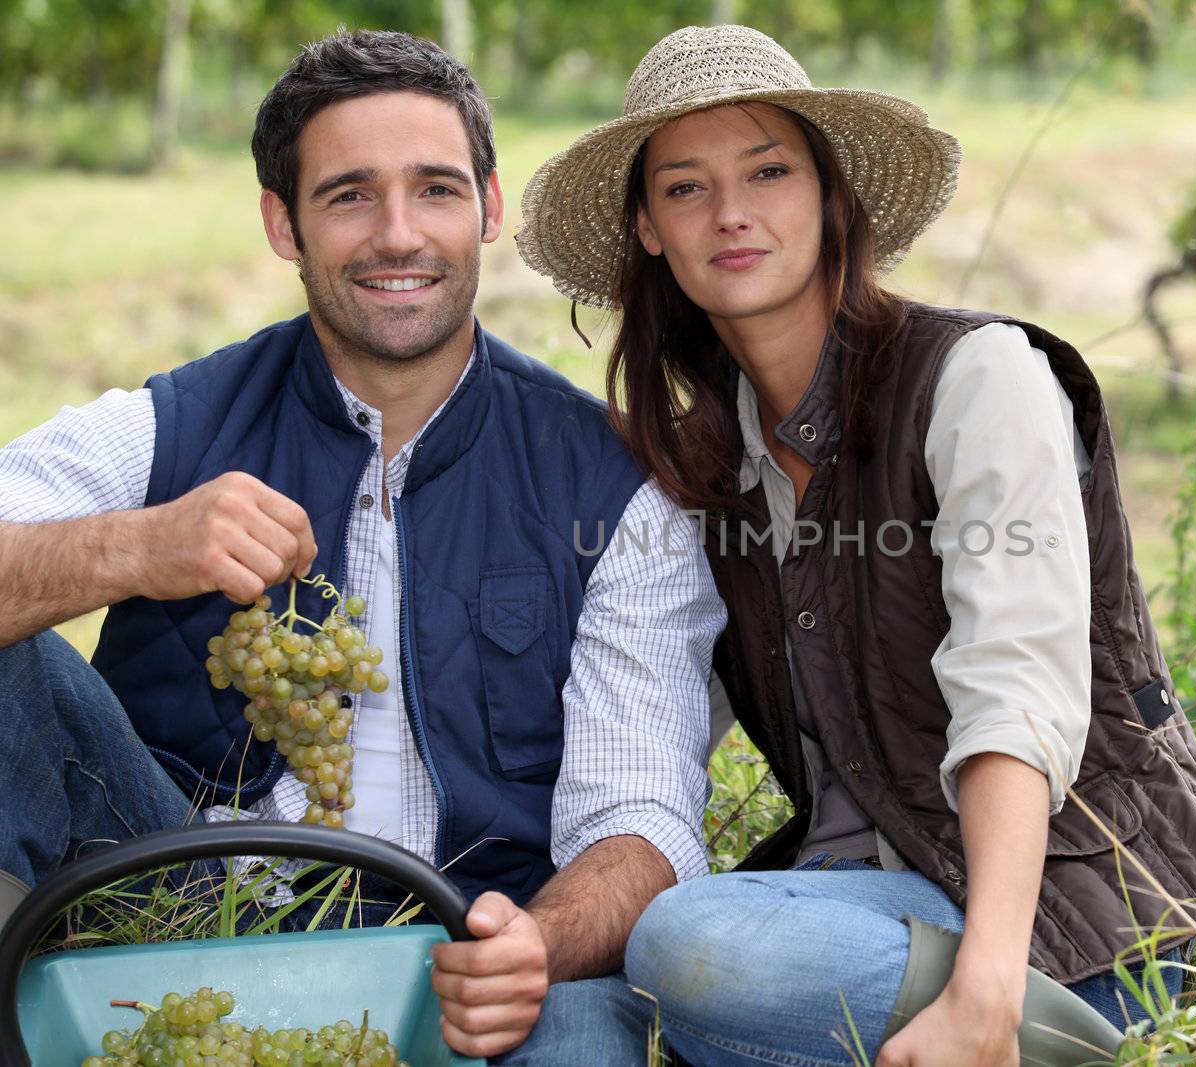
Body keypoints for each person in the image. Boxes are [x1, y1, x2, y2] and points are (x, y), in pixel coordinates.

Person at [517, 23, 1196, 1067]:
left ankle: (1051, 1045)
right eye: (685, 188)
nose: (730, 212)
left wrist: (987, 988)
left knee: (685, 942)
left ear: (830, 195)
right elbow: (645, 716)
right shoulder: (701, 464)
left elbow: (1017, 687)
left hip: (1066, 917)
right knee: (578, 1004)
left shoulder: (975, 378)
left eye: (767, 171)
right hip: (857, 909)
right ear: (648, 228)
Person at [0, 29, 724, 1065]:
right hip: (183, 909)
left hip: (464, 939)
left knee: (579, 1046)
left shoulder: (612, 485)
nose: (397, 234)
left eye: (433, 189)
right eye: (347, 195)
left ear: (487, 205)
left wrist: (534, 944)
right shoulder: (178, 422)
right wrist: (129, 546)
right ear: (282, 224)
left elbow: (641, 813)